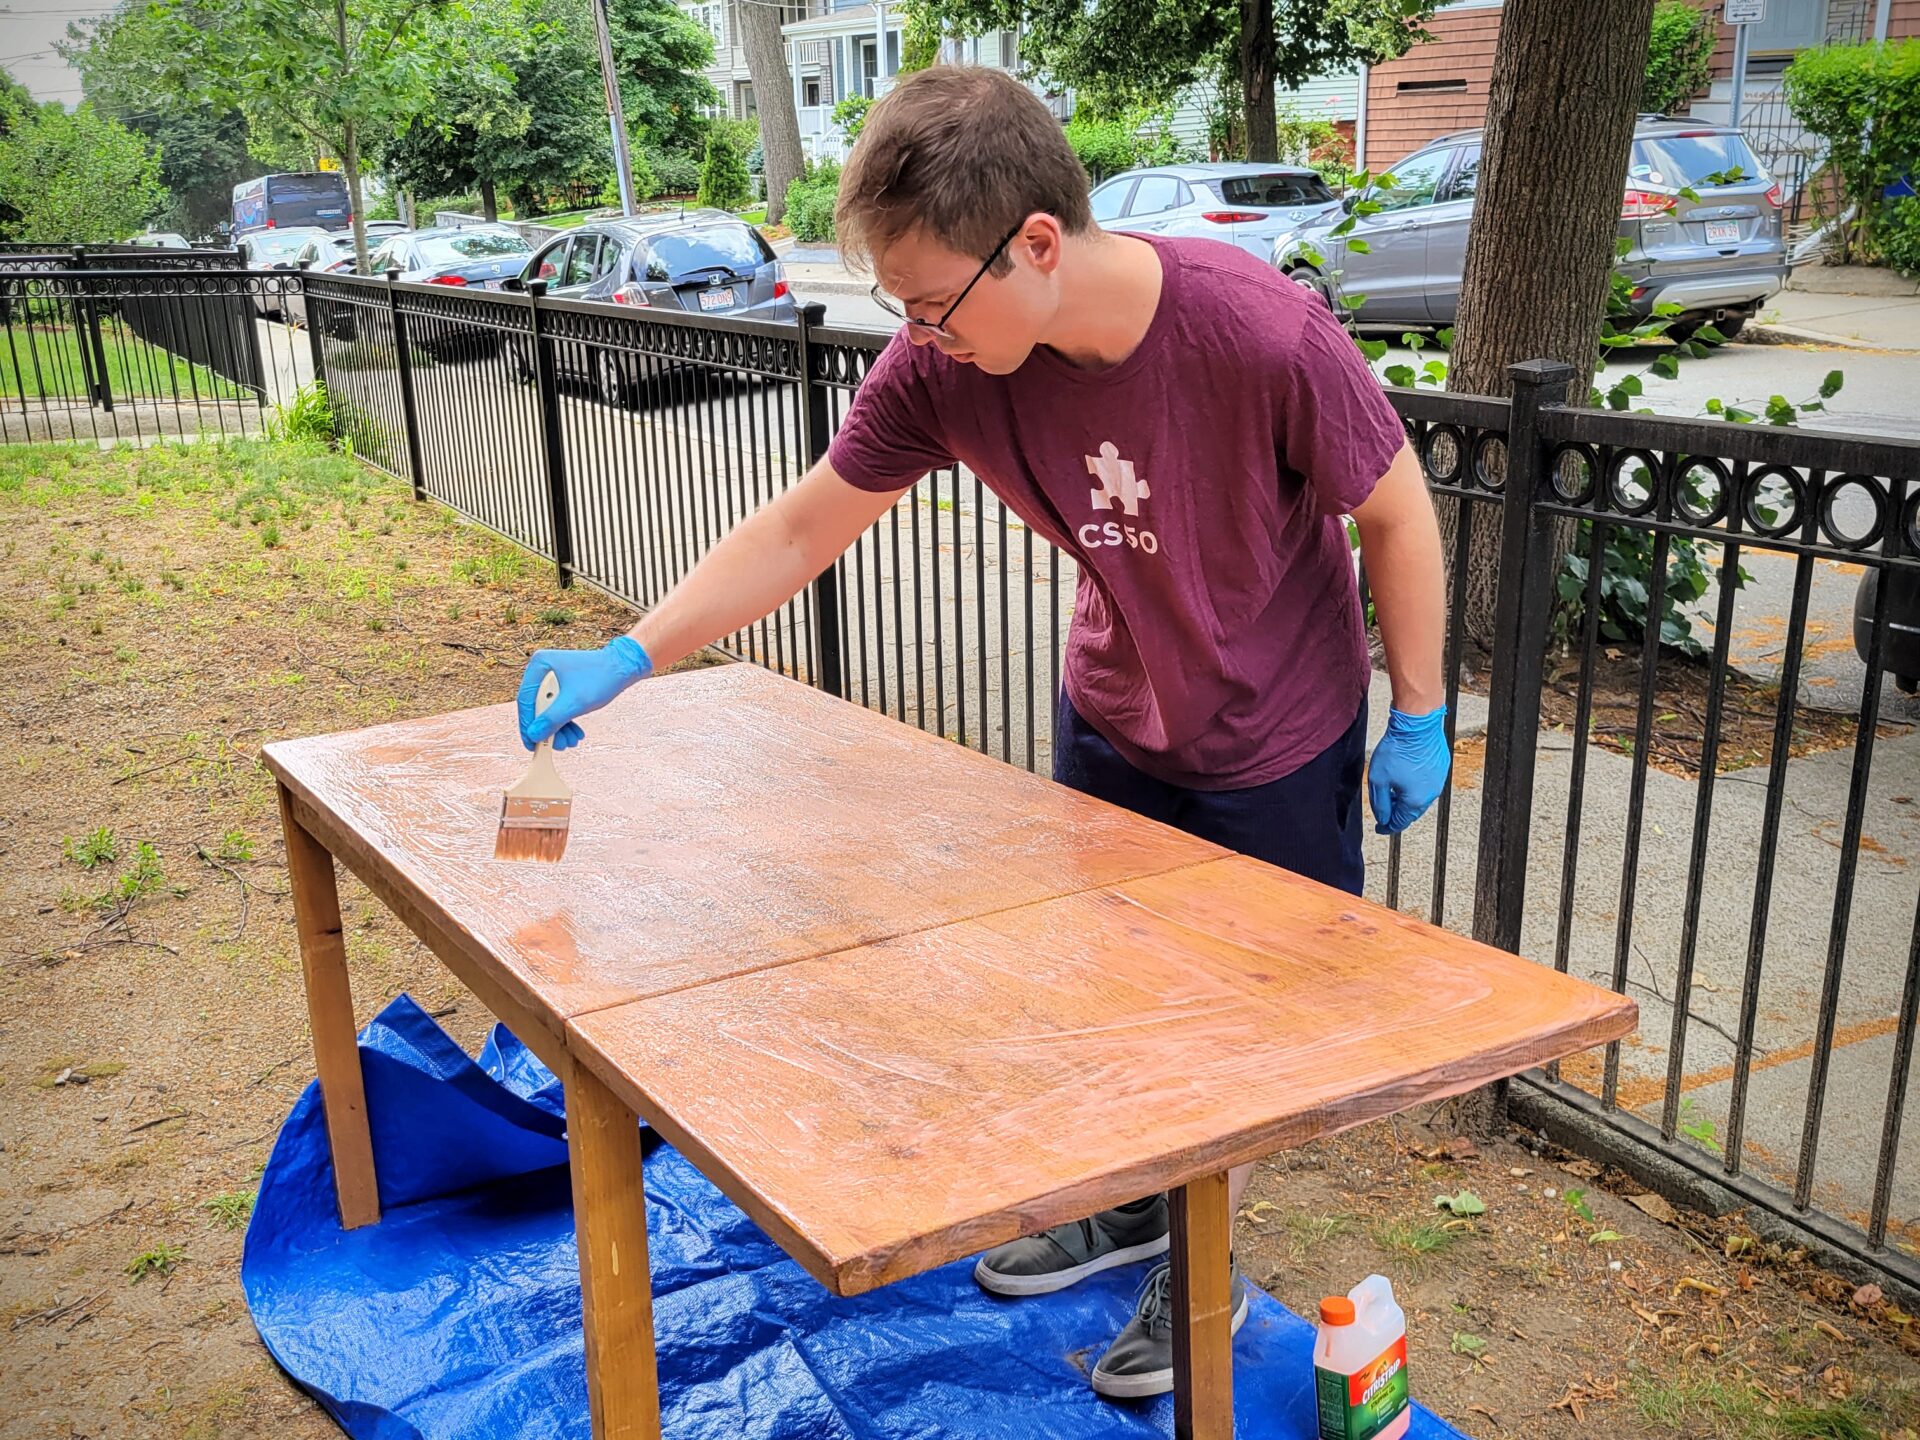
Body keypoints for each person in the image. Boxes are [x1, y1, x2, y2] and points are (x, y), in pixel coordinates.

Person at [515, 65, 1452, 1402]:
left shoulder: (1261, 334)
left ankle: (1200, 1262)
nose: (916, 332)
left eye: (931, 302)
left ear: (1037, 245)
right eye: (902, 307)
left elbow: (1399, 513)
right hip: (1117, 717)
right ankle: (1129, 1206)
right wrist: (632, 653)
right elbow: (801, 525)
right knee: (1109, 994)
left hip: (1273, 736)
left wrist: (1418, 708)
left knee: (1234, 1035)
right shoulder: (947, 365)